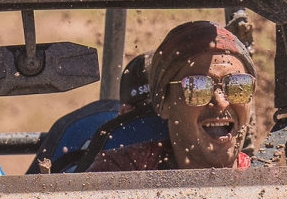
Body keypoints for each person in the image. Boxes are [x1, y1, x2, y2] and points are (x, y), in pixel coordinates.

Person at [89, 22, 258, 172]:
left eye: (238, 86)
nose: (221, 102)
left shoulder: (267, 185)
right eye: (196, 87)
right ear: (164, 104)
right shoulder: (119, 175)